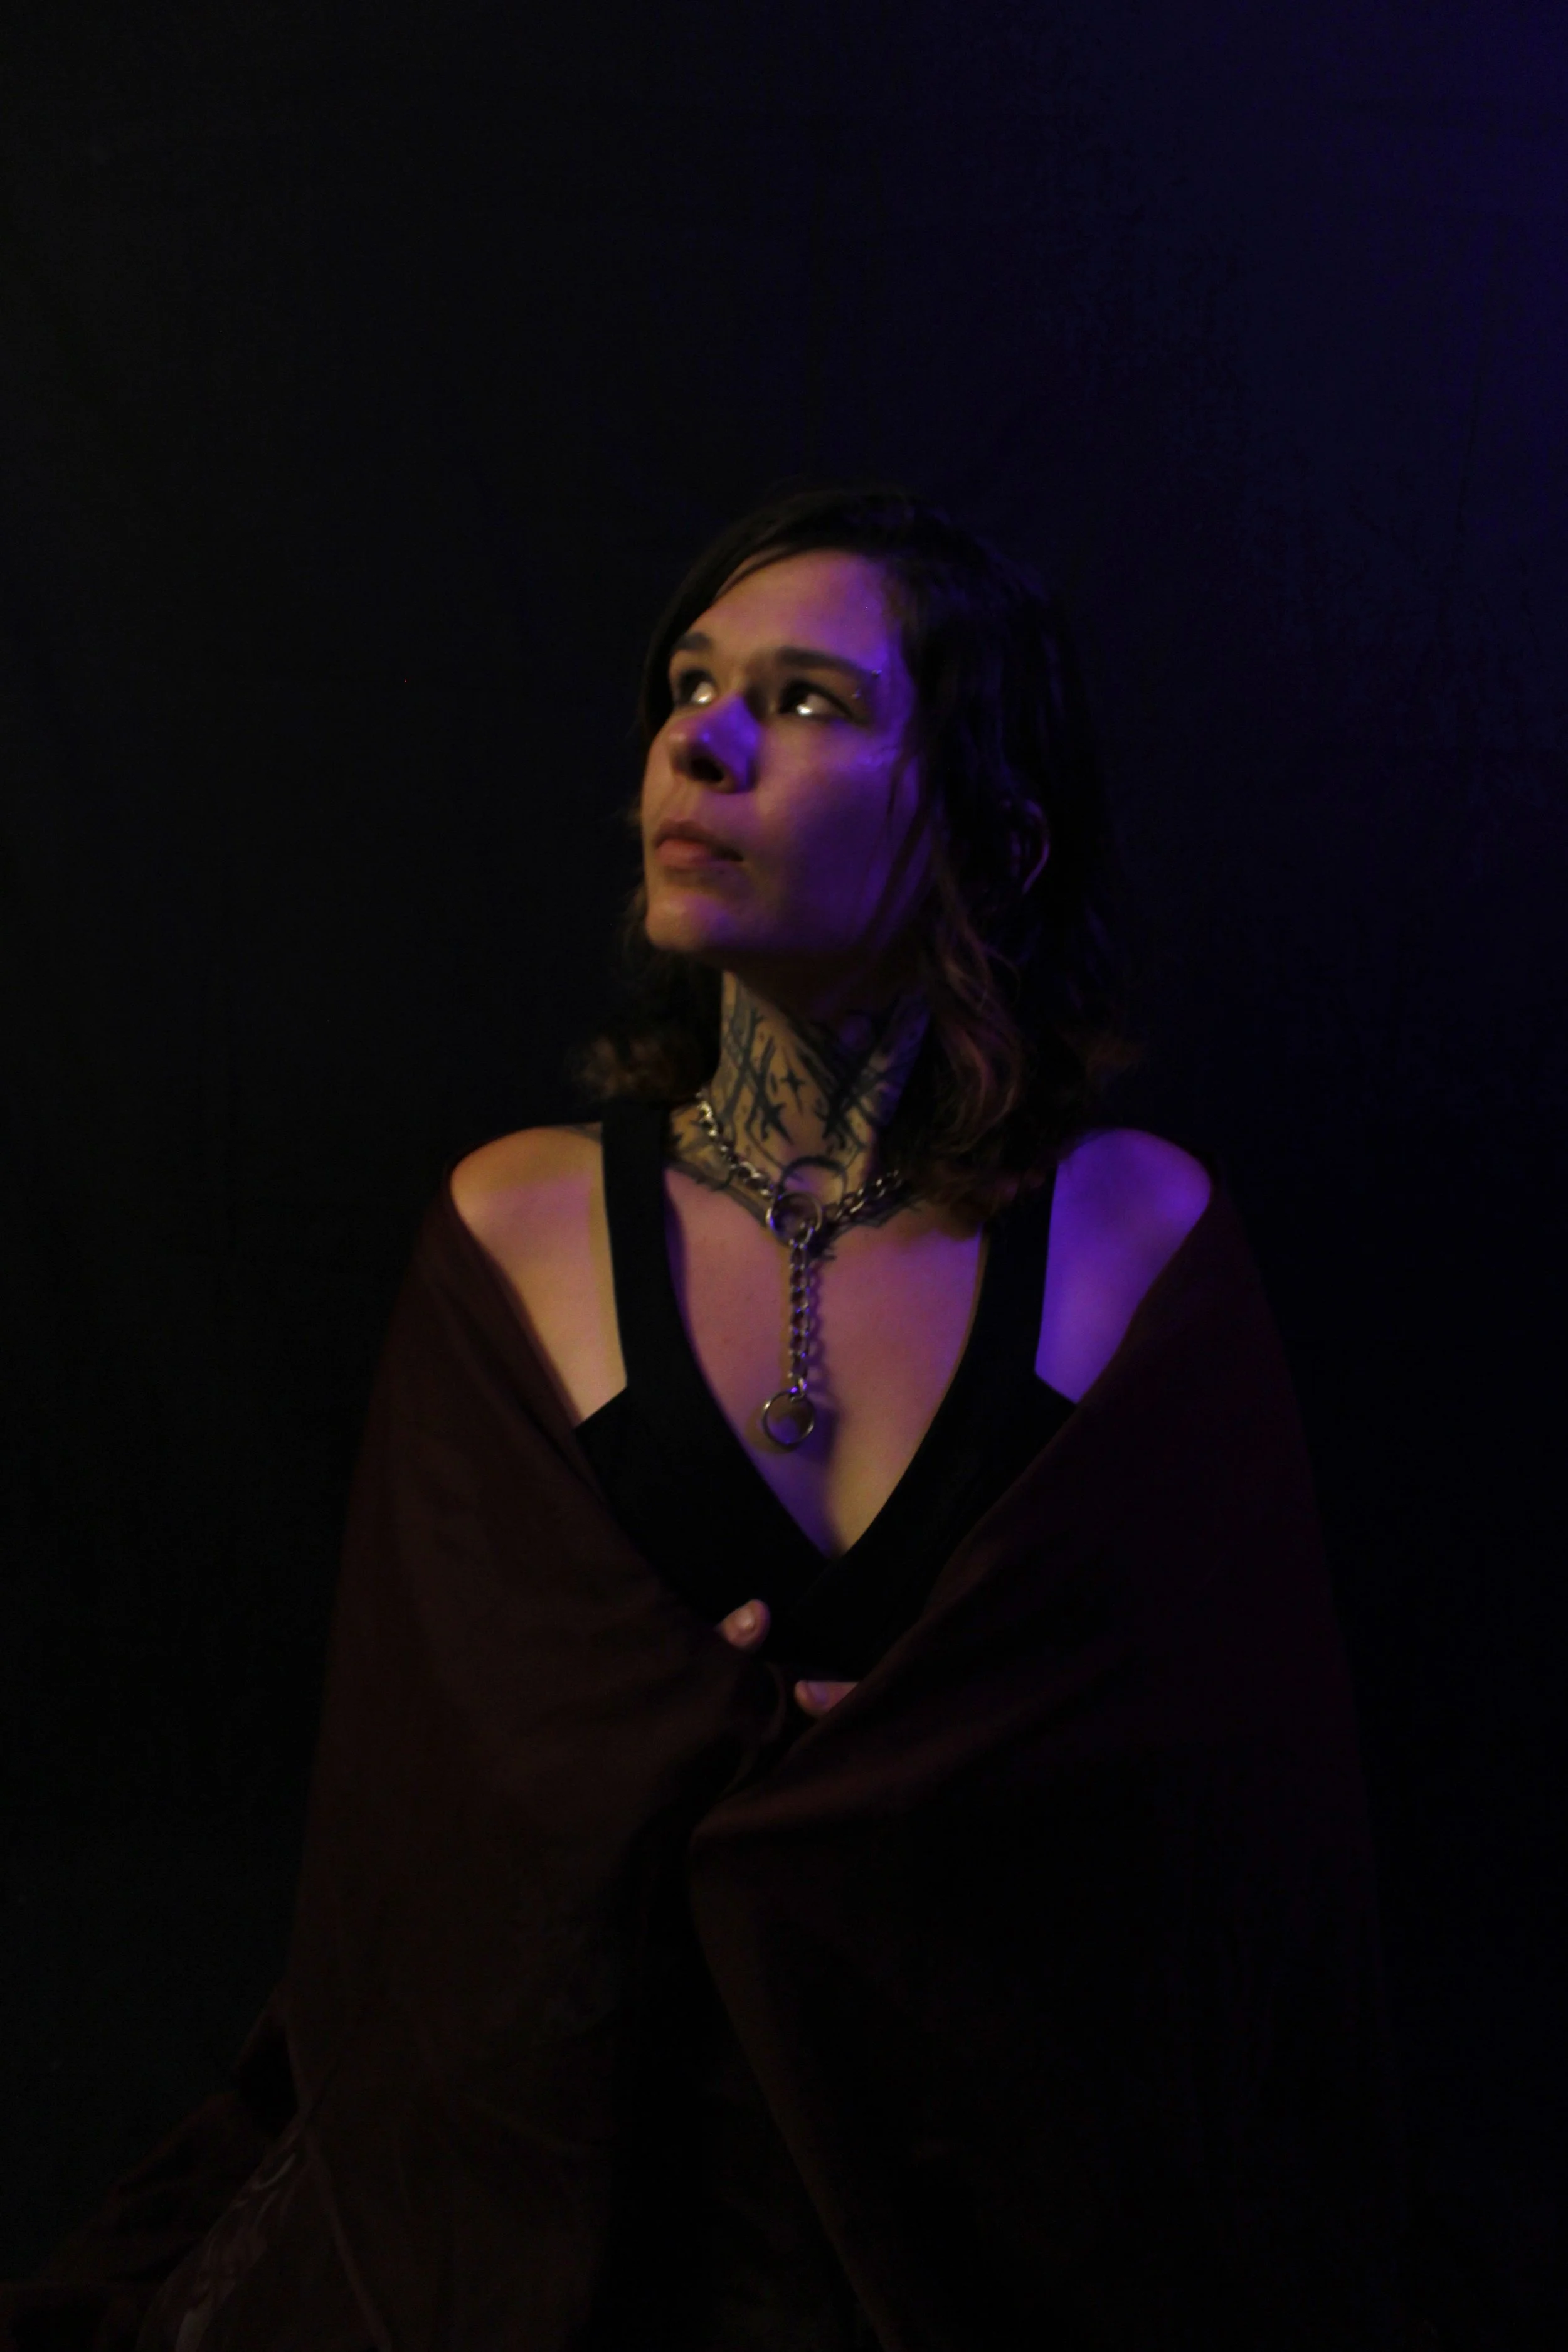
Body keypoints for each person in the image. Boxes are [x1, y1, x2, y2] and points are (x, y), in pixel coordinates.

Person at [4, 486, 1411, 2351]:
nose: (704, 739)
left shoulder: (1133, 1235)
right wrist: (834, 1751)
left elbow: (1224, 1834)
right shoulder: (515, 1231)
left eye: (809, 699)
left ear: (993, 824)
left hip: (988, 2208)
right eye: (689, 685)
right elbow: (441, 1819)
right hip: (592, 2207)